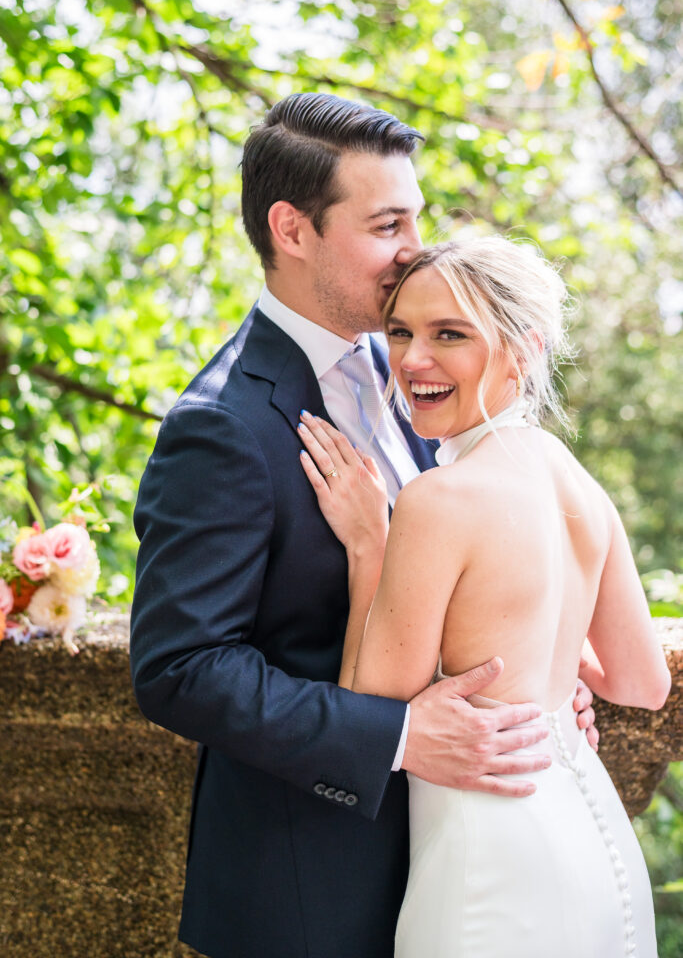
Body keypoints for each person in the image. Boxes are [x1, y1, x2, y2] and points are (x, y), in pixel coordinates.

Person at [129, 94, 596, 958]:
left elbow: (473, 558)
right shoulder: (221, 425)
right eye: (387, 225)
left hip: (467, 868)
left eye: (415, 216)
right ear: (292, 230)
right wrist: (403, 735)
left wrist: (537, 670)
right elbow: (180, 669)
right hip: (311, 890)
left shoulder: (428, 359)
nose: (415, 247)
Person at [297, 236, 671, 958]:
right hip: (598, 857)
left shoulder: (439, 501)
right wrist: (549, 674)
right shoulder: (572, 479)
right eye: (400, 332)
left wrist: (370, 548)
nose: (410, 360)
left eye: (449, 335)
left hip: (491, 866)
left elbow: (365, 715)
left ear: (522, 350)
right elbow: (641, 682)